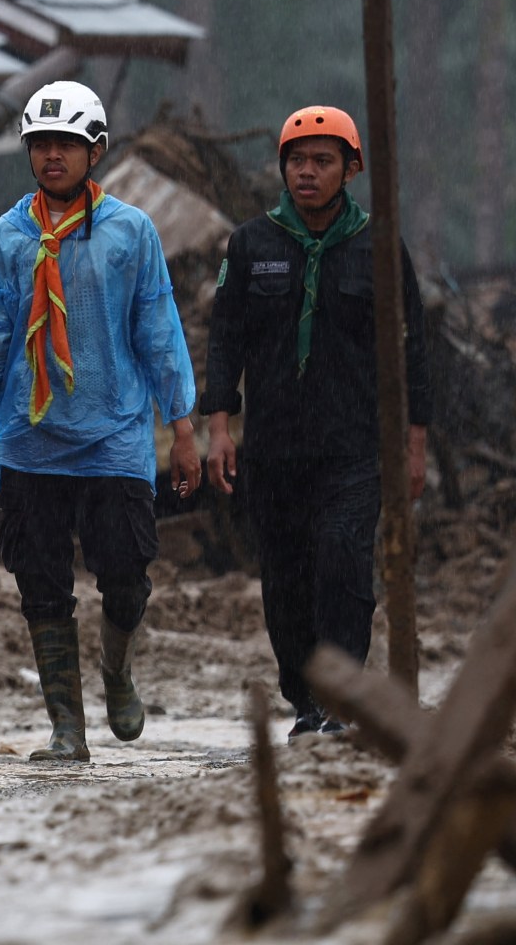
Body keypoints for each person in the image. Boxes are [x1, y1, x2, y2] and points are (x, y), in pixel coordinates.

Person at [0, 80, 199, 763]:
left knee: (125, 574)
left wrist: (181, 426)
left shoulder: (131, 233)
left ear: (97, 151)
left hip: (114, 435)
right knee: (40, 584)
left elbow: (158, 329)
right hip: (27, 440)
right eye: (40, 144)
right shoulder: (6, 239)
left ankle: (118, 671)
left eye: (66, 144)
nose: (52, 156)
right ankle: (67, 728)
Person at [202, 105, 430, 737]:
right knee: (286, 579)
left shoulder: (379, 248)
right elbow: (225, 340)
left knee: (342, 564)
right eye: (297, 161)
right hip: (273, 450)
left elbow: (413, 348)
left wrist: (414, 444)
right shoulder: (252, 245)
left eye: (323, 161)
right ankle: (304, 701)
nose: (307, 172)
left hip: (354, 450)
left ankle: (341, 699)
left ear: (351, 169)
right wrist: (219, 428)